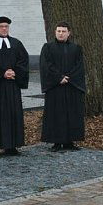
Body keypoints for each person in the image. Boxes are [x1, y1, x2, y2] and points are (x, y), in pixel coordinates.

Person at [0, 16, 30, 156]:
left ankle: (11, 145)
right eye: (1, 26)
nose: (4, 28)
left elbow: (23, 61)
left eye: (6, 26)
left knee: (12, 114)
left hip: (11, 87)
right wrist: (2, 73)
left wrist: (14, 72)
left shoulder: (16, 43)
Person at [41, 22, 87, 152]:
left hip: (72, 86)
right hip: (55, 87)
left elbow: (79, 66)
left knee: (71, 114)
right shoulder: (48, 48)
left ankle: (69, 141)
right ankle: (56, 142)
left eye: (63, 31)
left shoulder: (76, 48)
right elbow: (46, 65)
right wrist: (59, 78)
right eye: (58, 31)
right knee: (56, 114)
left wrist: (68, 78)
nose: (61, 33)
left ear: (69, 33)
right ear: (55, 32)